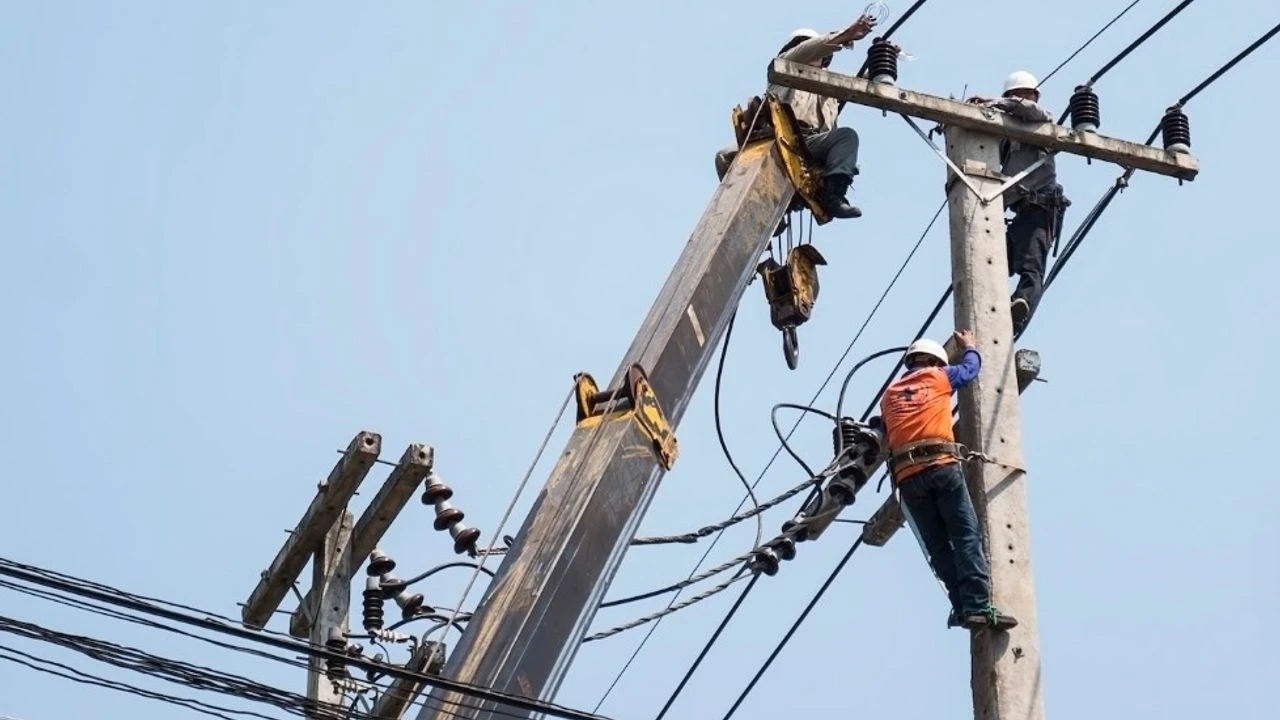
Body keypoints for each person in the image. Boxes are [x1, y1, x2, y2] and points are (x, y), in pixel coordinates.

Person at [879, 331, 1017, 631]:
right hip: (940, 466)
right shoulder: (938, 377)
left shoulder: (889, 395)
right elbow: (970, 370)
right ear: (935, 361)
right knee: (965, 535)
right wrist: (970, 347)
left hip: (908, 478)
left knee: (940, 547)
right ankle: (978, 604)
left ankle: (961, 606)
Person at [714, 14, 880, 220]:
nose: (809, 50)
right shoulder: (784, 65)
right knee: (725, 155)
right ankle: (751, 210)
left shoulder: (831, 85)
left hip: (811, 146)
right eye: (802, 45)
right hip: (779, 139)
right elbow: (809, 49)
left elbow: (863, 83)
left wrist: (883, 59)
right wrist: (846, 35)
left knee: (846, 137)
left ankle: (833, 196)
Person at [967, 71, 1071, 334]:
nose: (1020, 99)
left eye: (1023, 95)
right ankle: (995, 311)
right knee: (989, 260)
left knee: (1031, 268)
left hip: (1040, 210)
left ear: (1033, 96)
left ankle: (1020, 304)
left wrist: (995, 102)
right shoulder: (1007, 135)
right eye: (1015, 95)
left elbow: (1029, 110)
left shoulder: (1042, 121)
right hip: (1018, 213)